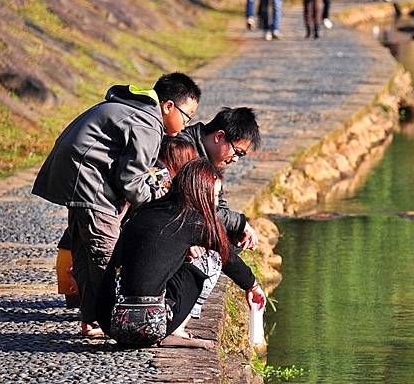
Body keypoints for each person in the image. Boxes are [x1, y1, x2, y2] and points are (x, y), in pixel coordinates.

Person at [32, 72, 201, 337]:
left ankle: (92, 319)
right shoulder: (148, 122)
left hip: (74, 176)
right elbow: (132, 182)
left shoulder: (132, 108)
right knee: (106, 253)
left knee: (86, 251)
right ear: (168, 106)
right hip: (89, 182)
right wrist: (159, 197)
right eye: (187, 115)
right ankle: (109, 320)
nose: (186, 123)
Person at [96, 158, 266, 348]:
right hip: (150, 326)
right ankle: (176, 331)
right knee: (211, 258)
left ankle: (169, 328)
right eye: (215, 195)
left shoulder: (143, 212)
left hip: (110, 321)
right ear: (201, 193)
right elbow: (228, 257)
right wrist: (252, 286)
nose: (217, 202)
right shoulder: (192, 221)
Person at [176, 107, 261, 251]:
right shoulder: (183, 151)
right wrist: (239, 222)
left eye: (241, 156)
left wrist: (234, 229)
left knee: (232, 243)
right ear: (219, 136)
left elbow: (217, 203)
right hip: (172, 225)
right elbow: (200, 208)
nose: (235, 160)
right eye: (237, 152)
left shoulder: (211, 158)